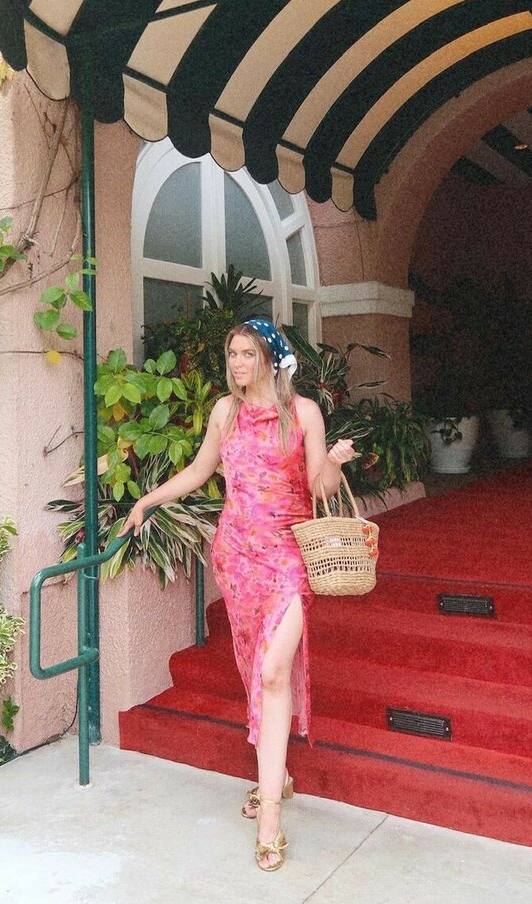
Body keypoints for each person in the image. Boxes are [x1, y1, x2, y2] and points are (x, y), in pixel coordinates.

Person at [125, 317, 356, 871]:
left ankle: (270, 818)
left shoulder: (303, 412)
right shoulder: (224, 412)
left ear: (271, 359)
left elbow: (318, 486)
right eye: (232, 354)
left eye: (247, 353)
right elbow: (200, 470)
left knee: (274, 670)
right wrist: (147, 501)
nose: (237, 363)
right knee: (256, 669)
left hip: (289, 556)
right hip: (236, 558)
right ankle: (277, 776)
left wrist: (334, 462)